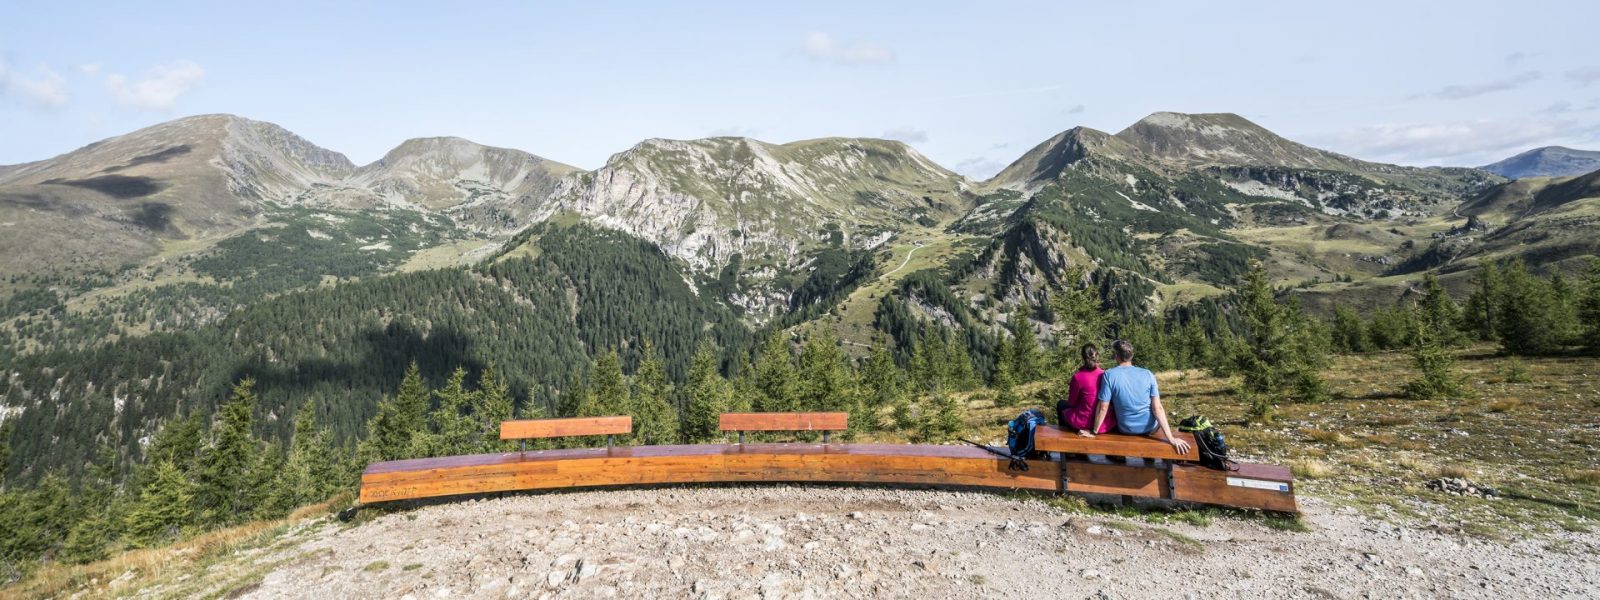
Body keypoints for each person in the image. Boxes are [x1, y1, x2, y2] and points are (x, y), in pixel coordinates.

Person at [1085, 340, 1191, 456]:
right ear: (1131, 356)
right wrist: (1171, 438)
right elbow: (1157, 409)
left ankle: (1118, 458)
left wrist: (1094, 432)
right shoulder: (1148, 374)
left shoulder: (1109, 375)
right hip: (1150, 428)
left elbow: (1103, 408)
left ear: (1116, 355)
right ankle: (1150, 458)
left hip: (1126, 428)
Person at [1058, 343, 1115, 436]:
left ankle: (1065, 441)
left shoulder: (1078, 377)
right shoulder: (1105, 375)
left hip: (1083, 422)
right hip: (1103, 424)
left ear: (1083, 357)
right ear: (1097, 356)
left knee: (1061, 405)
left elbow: (1072, 403)